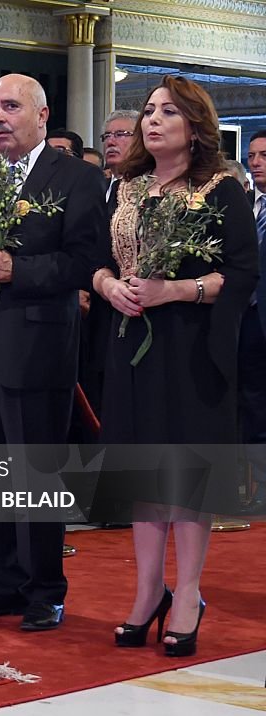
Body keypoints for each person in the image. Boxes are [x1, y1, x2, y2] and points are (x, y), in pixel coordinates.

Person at [92, 76, 258, 656]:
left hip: (192, 349)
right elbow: (95, 260)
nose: (152, 121)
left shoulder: (221, 188)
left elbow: (241, 274)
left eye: (167, 112)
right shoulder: (125, 187)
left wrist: (178, 290)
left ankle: (187, 593)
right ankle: (147, 591)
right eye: (148, 111)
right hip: (129, 342)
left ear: (195, 124)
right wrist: (110, 285)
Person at [0, 74, 108, 632]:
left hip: (35, 342)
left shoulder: (75, 178)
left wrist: (22, 270)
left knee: (33, 471)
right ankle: (2, 579)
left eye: (11, 106)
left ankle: (43, 588)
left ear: (41, 114)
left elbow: (86, 260)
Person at [242, 129, 266, 516]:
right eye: (252, 155)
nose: (256, 161)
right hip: (244, 320)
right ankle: (255, 486)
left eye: (264, 155)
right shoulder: (244, 204)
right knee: (249, 403)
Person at [102, 110, 140, 202]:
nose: (110, 142)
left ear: (140, 140)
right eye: (107, 136)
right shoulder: (95, 188)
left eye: (120, 134)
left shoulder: (149, 188)